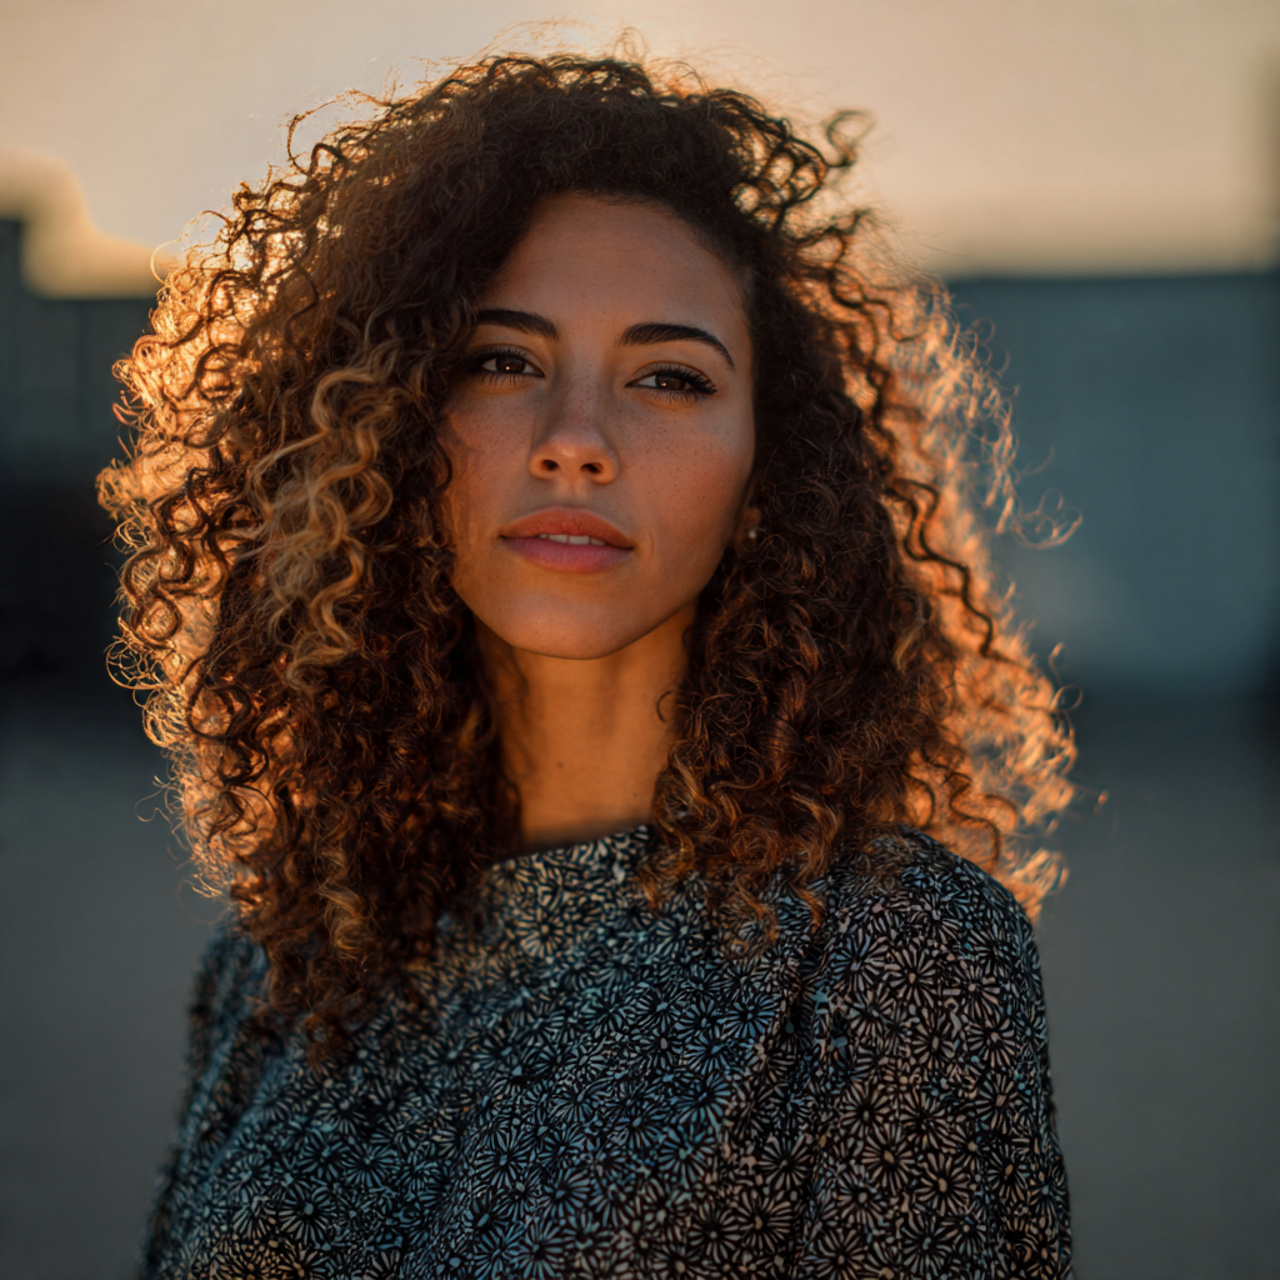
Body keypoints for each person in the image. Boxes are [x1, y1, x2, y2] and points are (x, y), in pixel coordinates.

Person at [99, 48, 1075, 1279]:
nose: (574, 442)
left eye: (668, 378)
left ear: (768, 474)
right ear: (390, 425)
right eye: (501, 360)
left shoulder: (894, 955)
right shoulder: (277, 967)